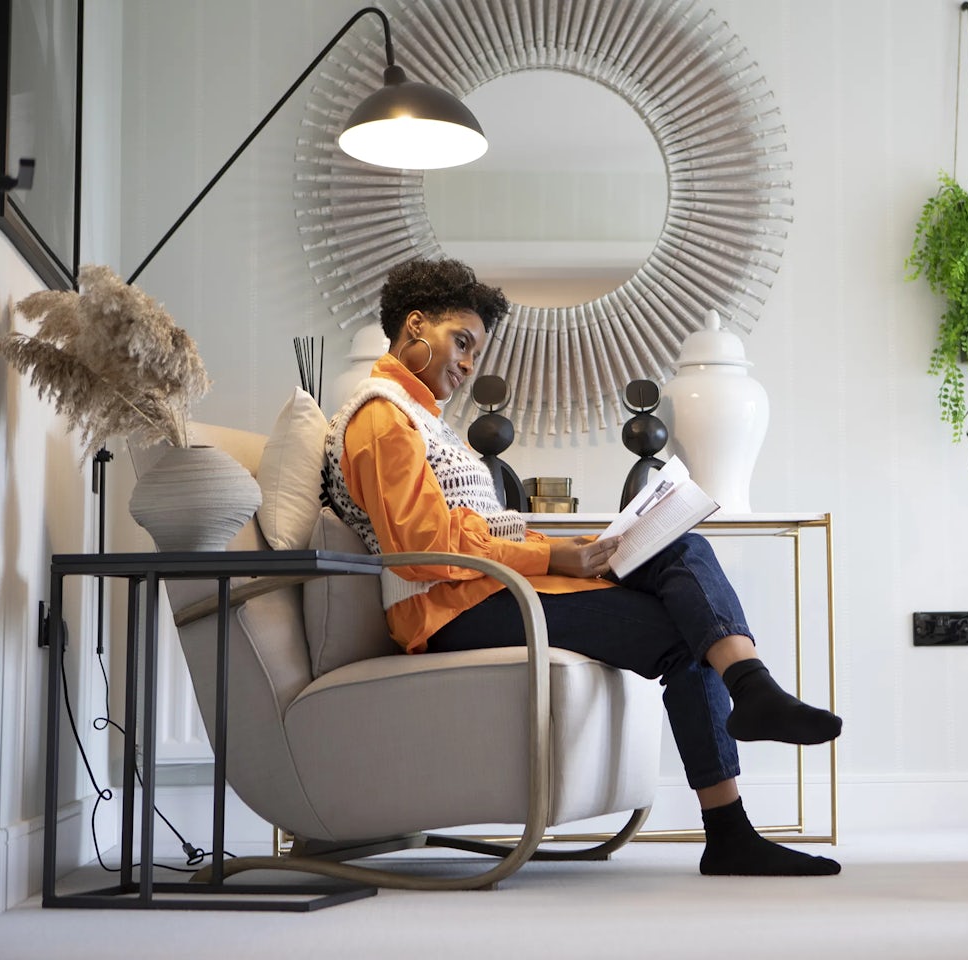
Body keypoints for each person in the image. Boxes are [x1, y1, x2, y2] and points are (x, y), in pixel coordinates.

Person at [322, 257, 843, 877]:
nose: (466, 365)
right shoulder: (382, 418)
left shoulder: (419, 417)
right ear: (414, 328)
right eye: (461, 342)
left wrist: (585, 547)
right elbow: (426, 542)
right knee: (683, 635)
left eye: (474, 351)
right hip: (448, 610)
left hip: (487, 589)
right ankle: (732, 815)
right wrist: (552, 554)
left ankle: (751, 689)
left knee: (677, 545)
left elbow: (477, 527)